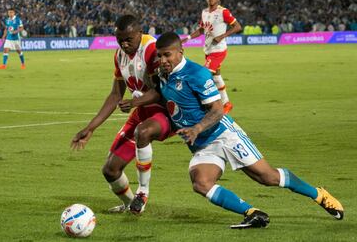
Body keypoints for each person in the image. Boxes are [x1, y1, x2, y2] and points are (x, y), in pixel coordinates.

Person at [120, 32, 344, 228]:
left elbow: (218, 110)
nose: (162, 60)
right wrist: (135, 103)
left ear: (180, 51)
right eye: (159, 55)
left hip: (223, 134)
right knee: (201, 183)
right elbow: (159, 93)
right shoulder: (162, 74)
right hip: (202, 144)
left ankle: (318, 194)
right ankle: (252, 213)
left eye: (167, 55)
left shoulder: (197, 74)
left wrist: (197, 128)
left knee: (267, 177)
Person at [71, 15, 172, 214]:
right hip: (142, 110)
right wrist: (90, 128)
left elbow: (160, 92)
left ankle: (142, 192)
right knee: (110, 169)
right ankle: (131, 206)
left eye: (128, 39)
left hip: (166, 110)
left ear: (139, 34)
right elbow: (116, 94)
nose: (123, 44)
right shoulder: (119, 55)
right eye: (119, 40)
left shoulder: (152, 49)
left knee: (142, 132)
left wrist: (134, 102)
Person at [182, 0, 242, 114]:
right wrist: (187, 38)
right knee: (216, 76)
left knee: (203, 75)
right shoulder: (204, 12)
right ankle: (226, 103)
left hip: (218, 50)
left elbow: (237, 27)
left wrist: (222, 36)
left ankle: (203, 105)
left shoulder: (223, 12)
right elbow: (201, 30)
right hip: (208, 49)